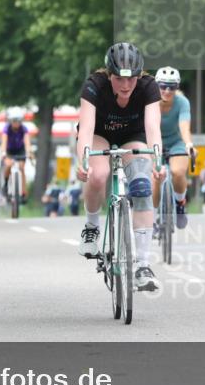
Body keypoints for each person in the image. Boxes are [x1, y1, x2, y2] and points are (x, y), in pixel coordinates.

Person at [75, 41, 166, 292]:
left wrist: (157, 160)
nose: (126, 86)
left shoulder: (149, 86)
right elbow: (86, 128)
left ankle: (143, 266)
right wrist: (83, 161)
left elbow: (153, 127)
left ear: (139, 76)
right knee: (98, 174)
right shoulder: (94, 85)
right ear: (109, 75)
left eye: (131, 79)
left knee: (143, 185)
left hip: (133, 136)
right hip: (99, 134)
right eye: (119, 79)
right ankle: (91, 227)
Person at [151, 66, 195, 229]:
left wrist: (188, 144)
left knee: (178, 172)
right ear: (156, 86)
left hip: (176, 142)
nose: (167, 91)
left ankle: (180, 204)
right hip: (154, 143)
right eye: (163, 86)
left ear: (177, 87)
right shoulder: (150, 102)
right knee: (156, 177)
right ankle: (152, 217)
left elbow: (184, 125)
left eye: (172, 87)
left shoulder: (182, 102)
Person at [1, 107, 32, 201]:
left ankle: (23, 192)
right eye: (14, 121)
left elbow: (27, 141)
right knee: (8, 165)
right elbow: (4, 141)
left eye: (18, 121)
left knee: (22, 168)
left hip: (20, 150)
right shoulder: (7, 128)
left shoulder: (23, 129)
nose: (16, 123)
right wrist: (3, 152)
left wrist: (28, 152)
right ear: (11, 121)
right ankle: (6, 183)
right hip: (9, 150)